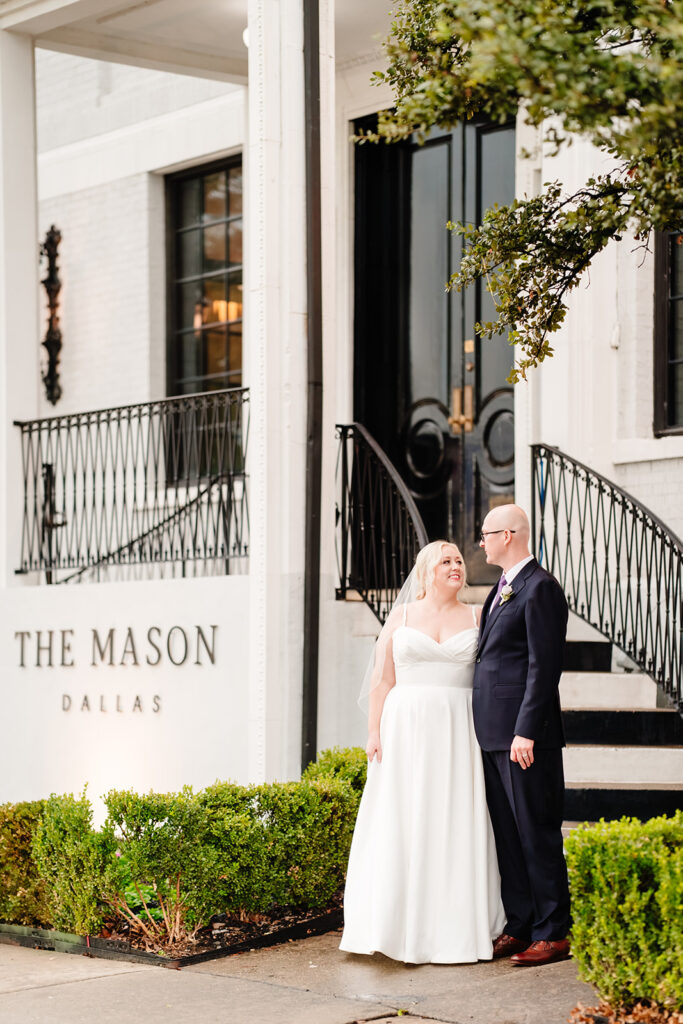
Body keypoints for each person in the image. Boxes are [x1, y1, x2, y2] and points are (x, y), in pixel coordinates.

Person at [339, 540, 505, 964]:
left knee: (453, 815)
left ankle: (453, 923)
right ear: (427, 570)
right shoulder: (403, 615)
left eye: (458, 561)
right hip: (405, 728)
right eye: (446, 561)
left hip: (457, 728)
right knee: (405, 815)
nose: (455, 566)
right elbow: (382, 681)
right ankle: (394, 923)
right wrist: (374, 732)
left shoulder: (476, 615)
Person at [473, 504, 571, 967]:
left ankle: (553, 932)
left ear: (508, 535)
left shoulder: (541, 588)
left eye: (487, 534)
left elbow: (543, 666)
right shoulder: (502, 587)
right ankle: (521, 924)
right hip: (493, 733)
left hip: (524, 737)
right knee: (508, 836)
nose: (481, 542)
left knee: (536, 832)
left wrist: (526, 731)